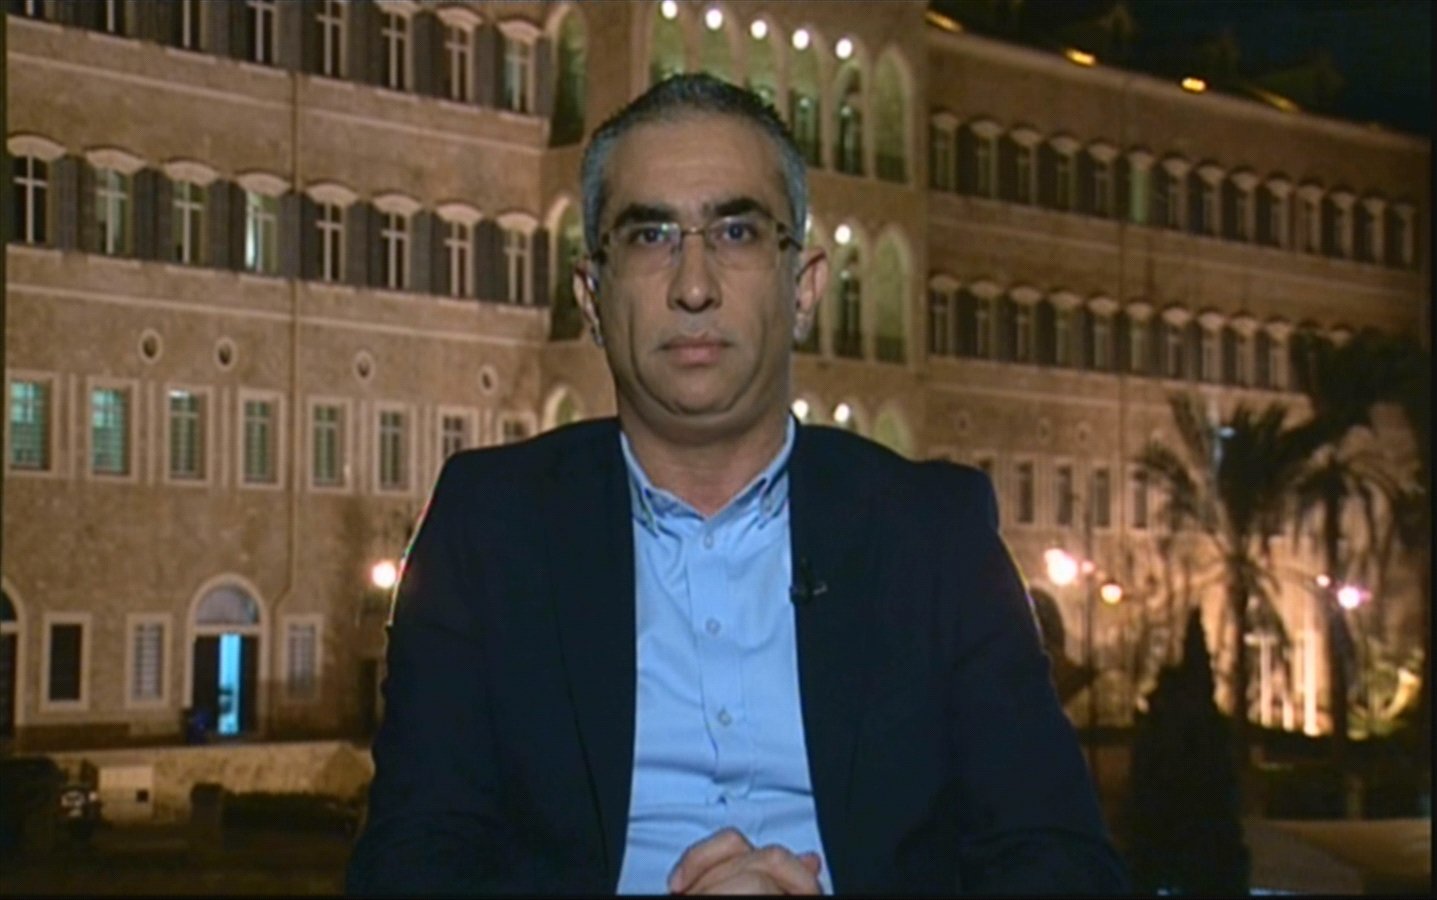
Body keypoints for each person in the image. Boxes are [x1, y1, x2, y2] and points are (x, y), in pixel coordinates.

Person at [346, 74, 1128, 896]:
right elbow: (409, 865)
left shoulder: (933, 534)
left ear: (804, 288)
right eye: (650, 236)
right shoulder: (488, 527)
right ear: (591, 296)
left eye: (737, 232)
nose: (694, 285)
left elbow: (1064, 864)